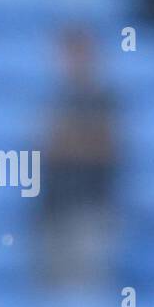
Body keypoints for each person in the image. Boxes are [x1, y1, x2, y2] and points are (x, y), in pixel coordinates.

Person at [35, 26, 119, 289]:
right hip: (52, 207)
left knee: (86, 292)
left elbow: (103, 148)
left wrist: (68, 141)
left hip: (90, 209)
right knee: (48, 292)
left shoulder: (106, 101)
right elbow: (44, 149)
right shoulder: (54, 100)